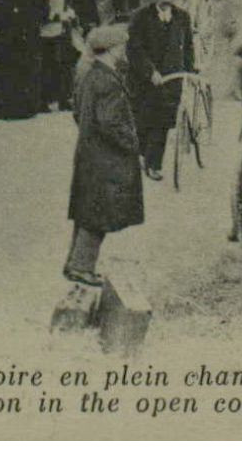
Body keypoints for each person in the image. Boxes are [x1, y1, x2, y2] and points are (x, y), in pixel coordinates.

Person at [63, 24, 142, 287]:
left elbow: (78, 114)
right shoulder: (108, 81)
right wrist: (132, 142)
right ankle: (81, 267)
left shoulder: (88, 74)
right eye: (121, 47)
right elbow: (110, 122)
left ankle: (74, 262)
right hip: (105, 158)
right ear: (111, 49)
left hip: (89, 153)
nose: (124, 51)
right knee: (99, 214)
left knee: (87, 211)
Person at [126, 0, 194, 182]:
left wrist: (190, 71)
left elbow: (188, 47)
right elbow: (134, 49)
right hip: (144, 80)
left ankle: (154, 164)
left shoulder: (183, 17)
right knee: (144, 120)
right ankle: (142, 154)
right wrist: (150, 72)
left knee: (162, 122)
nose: (166, 3)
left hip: (173, 79)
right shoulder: (140, 17)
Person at [36, 0, 78, 111]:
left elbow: (65, 0)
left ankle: (64, 98)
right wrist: (61, 16)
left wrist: (70, 12)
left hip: (61, 30)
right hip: (46, 32)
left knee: (64, 65)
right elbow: (39, 12)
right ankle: (44, 101)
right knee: (48, 66)